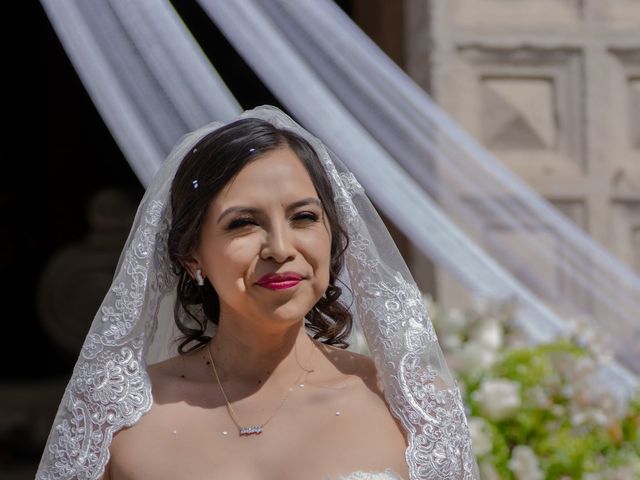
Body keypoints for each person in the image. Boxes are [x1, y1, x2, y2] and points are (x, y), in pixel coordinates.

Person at [36, 105, 478, 479]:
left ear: (332, 233)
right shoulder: (116, 418)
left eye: (303, 217)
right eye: (242, 223)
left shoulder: (411, 405)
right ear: (192, 255)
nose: (281, 249)